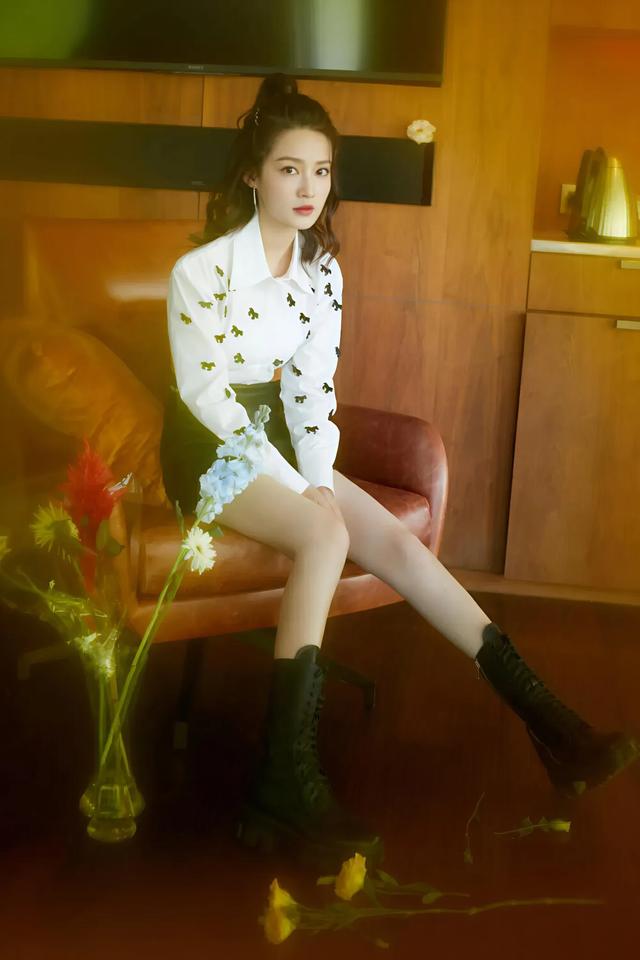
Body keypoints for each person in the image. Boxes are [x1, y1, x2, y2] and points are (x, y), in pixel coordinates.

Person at [160, 73, 639, 870]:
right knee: (324, 534)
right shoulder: (198, 273)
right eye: (289, 169)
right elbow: (209, 399)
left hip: (278, 434)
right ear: (252, 175)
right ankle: (281, 781)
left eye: (320, 171)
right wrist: (305, 493)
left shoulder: (322, 271)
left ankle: (554, 727)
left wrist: (317, 476)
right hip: (210, 445)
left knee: (398, 546)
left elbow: (311, 389)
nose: (308, 188)